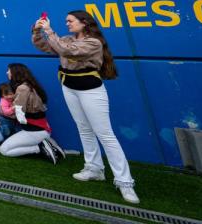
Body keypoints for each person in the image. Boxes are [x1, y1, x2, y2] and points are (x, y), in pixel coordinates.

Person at [32, 11, 138, 204]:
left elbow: (67, 51)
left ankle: (125, 182)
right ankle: (94, 168)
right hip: (69, 87)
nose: (67, 24)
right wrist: (38, 31)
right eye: (66, 21)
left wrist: (50, 31)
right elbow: (46, 46)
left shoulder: (94, 42)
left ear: (84, 23)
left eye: (70, 21)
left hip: (90, 90)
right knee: (84, 129)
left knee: (105, 134)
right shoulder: (65, 39)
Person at [0, 63, 63, 164]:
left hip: (34, 131)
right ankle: (48, 143)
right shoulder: (31, 85)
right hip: (41, 129)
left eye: (9, 70)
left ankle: (39, 148)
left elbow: (18, 113)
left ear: (15, 72)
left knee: (4, 150)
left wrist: (1, 111)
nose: (7, 72)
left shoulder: (22, 88)